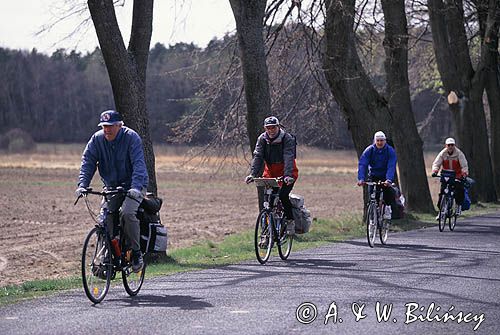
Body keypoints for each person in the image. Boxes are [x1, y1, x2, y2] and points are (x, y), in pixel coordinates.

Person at [75, 110, 149, 272]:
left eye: (110, 126)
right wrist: (82, 184)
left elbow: (138, 164)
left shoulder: (131, 138)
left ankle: (136, 253)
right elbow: (88, 162)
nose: (106, 130)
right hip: (112, 187)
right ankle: (107, 259)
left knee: (127, 213)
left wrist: (136, 188)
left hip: (134, 186)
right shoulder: (97, 139)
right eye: (104, 126)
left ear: (119, 126)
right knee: (105, 219)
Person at [245, 116, 299, 235]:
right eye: (268, 128)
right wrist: (252, 174)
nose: (271, 130)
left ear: (278, 127)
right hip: (270, 173)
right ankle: (266, 233)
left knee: (283, 196)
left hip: (287, 172)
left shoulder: (286, 138)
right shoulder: (262, 139)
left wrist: (288, 175)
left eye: (273, 127)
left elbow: (288, 156)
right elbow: (258, 156)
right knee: (267, 202)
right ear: (265, 128)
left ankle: (290, 221)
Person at [357, 131, 397, 219]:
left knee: (388, 192)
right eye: (378, 140)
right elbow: (362, 164)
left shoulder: (390, 151)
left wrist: (389, 179)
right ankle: (373, 215)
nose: (379, 142)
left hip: (385, 175)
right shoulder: (369, 150)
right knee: (372, 196)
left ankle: (387, 209)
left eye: (381, 140)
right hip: (373, 175)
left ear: (385, 141)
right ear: (375, 141)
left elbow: (391, 166)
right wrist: (361, 178)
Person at [431, 137, 468, 216]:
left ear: (454, 145)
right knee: (442, 193)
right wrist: (435, 171)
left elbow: (464, 165)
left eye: (452, 145)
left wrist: (464, 173)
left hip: (457, 175)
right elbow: (436, 163)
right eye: (449, 145)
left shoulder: (459, 153)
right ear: (446, 146)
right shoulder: (442, 153)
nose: (450, 147)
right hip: (446, 175)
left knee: (459, 190)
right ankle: (441, 212)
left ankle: (458, 206)